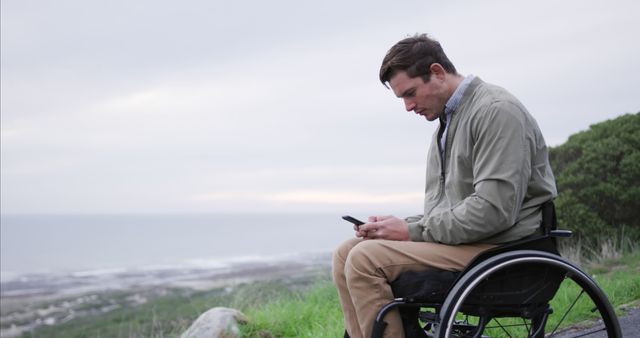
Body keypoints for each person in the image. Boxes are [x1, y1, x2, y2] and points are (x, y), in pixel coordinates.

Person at [332, 33, 557, 338]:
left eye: (410, 93)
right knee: (346, 252)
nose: (408, 107)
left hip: (501, 247)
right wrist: (396, 227)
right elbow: (451, 208)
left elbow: (493, 211)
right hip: (471, 242)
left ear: (437, 72)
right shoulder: (449, 122)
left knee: (364, 259)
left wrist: (411, 231)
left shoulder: (495, 111)